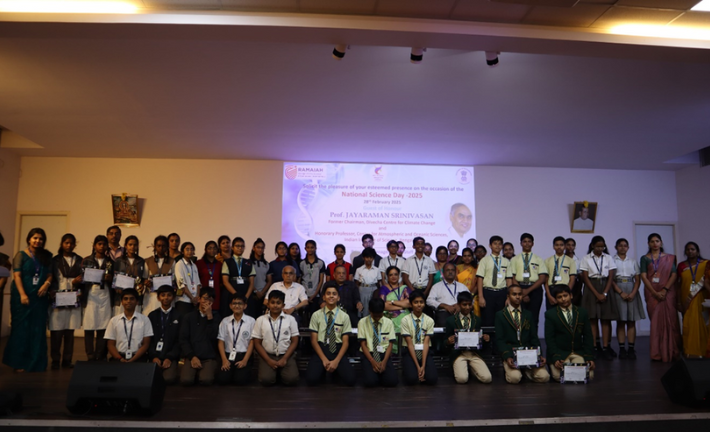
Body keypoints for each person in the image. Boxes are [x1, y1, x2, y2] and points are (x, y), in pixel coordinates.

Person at [3, 228, 53, 372]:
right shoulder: (21, 255)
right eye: (35, 238)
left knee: (38, 329)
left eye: (41, 239)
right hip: (22, 296)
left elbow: (50, 274)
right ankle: (19, 363)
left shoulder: (46, 256)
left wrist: (46, 284)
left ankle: (36, 362)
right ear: (29, 239)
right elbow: (17, 276)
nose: (38, 241)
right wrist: (23, 294)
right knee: (21, 329)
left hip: (40, 297)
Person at [495, 285, 550, 384]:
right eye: (514, 294)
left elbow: (534, 337)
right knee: (514, 378)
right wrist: (507, 356)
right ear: (508, 296)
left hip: (528, 354)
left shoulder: (528, 314)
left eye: (520, 294)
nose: (517, 297)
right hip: (511, 354)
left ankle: (525, 371)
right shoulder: (500, 315)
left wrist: (539, 355)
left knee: (544, 377)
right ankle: (519, 371)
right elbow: (500, 340)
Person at [305, 284, 356, 386]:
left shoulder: (344, 316)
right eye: (328, 294)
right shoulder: (316, 315)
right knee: (311, 380)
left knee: (350, 380)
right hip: (321, 348)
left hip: (337, 349)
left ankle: (335, 371)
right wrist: (324, 359)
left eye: (334, 294)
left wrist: (336, 361)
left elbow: (345, 342)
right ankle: (323, 371)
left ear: (338, 297)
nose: (331, 296)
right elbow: (314, 341)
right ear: (324, 297)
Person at [640, 233, 680, 362]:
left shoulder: (669, 258)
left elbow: (674, 274)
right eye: (652, 241)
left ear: (661, 242)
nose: (655, 243)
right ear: (648, 244)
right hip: (652, 293)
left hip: (667, 293)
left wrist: (664, 289)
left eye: (657, 241)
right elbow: (643, 276)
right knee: (656, 323)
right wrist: (654, 292)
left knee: (671, 321)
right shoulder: (645, 258)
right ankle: (657, 352)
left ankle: (672, 350)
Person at [545, 285, 595, 381]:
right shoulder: (550, 314)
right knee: (558, 376)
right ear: (556, 299)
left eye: (565, 295)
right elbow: (549, 338)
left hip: (577, 352)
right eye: (559, 297)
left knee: (589, 375)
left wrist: (589, 357)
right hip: (560, 353)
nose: (563, 299)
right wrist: (555, 357)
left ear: (571, 295)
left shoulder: (582, 312)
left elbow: (588, 336)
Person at [579, 236, 618, 360]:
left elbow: (611, 277)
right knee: (592, 319)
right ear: (592, 246)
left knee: (606, 319)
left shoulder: (608, 258)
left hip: (606, 286)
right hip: (591, 288)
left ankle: (606, 347)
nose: (600, 249)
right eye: (597, 246)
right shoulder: (586, 258)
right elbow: (585, 278)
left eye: (602, 247)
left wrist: (604, 293)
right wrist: (597, 294)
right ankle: (594, 347)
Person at [49, 234, 83, 369]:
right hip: (58, 297)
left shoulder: (79, 260)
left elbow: (84, 279)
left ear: (75, 245)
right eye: (66, 243)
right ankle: (55, 360)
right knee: (56, 331)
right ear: (62, 243)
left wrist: (77, 284)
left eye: (71, 243)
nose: (69, 245)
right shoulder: (55, 260)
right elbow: (50, 278)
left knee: (69, 330)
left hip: (73, 297)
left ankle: (67, 360)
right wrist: (51, 291)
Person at [252, 290, 300, 386]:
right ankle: (274, 372)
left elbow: (294, 341)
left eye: (278, 303)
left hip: (286, 355)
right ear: (268, 304)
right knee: (266, 380)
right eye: (272, 302)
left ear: (283, 305)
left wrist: (285, 358)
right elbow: (257, 343)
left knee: (292, 379)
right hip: (268, 355)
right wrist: (268, 360)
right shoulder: (260, 320)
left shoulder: (290, 319)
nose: (275, 305)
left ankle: (281, 372)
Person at [445, 291, 492, 384]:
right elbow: (444, 341)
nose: (467, 307)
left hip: (474, 353)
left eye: (469, 305)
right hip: (459, 354)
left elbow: (480, 340)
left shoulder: (477, 320)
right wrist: (448, 341)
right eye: (464, 305)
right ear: (458, 304)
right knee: (462, 379)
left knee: (487, 378)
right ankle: (462, 368)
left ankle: (472, 369)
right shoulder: (451, 321)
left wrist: (485, 339)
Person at [81, 235, 113, 361]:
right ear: (94, 246)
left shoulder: (111, 262)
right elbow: (81, 278)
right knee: (89, 325)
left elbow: (115, 280)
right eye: (99, 244)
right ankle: (90, 355)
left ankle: (100, 354)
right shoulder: (86, 260)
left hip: (105, 294)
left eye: (104, 244)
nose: (102, 246)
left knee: (103, 326)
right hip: (90, 294)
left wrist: (110, 279)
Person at [179, 288, 221, 386]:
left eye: (210, 299)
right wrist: (192, 356)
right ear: (199, 299)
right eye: (205, 298)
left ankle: (203, 371)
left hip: (209, 357)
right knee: (186, 380)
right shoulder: (189, 317)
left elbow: (214, 337)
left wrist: (209, 317)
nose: (207, 302)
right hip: (192, 355)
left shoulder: (216, 317)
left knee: (206, 380)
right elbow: (183, 339)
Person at [612, 238, 645, 360]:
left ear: (628, 248)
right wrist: (620, 292)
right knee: (621, 320)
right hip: (618, 288)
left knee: (631, 320)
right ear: (616, 247)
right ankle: (621, 348)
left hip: (631, 288)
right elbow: (611, 280)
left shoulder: (633, 261)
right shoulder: (612, 260)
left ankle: (631, 348)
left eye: (625, 245)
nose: (622, 247)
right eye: (620, 245)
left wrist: (633, 293)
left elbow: (637, 279)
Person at [508, 233, 548, 332]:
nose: (527, 244)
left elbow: (542, 278)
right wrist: (522, 292)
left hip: (535, 289)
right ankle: (520, 339)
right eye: (524, 241)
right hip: (519, 288)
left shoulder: (538, 259)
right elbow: (513, 277)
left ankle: (533, 340)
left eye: (529, 241)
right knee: (519, 317)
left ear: (533, 244)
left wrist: (527, 291)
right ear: (521, 243)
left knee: (534, 317)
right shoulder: (514, 259)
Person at [358, 297, 398, 387]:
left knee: (392, 381)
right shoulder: (362, 322)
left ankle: (380, 374)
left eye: (380, 315)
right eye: (375, 315)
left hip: (383, 354)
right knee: (370, 382)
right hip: (369, 354)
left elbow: (390, 344)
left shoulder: (388, 322)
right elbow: (363, 344)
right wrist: (372, 361)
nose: (377, 318)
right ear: (369, 311)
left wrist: (384, 361)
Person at [217, 293, 256, 385]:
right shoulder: (225, 321)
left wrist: (245, 360)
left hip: (243, 354)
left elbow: (252, 342)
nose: (237, 306)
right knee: (223, 379)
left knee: (240, 380)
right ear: (230, 306)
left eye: (240, 303)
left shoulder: (251, 321)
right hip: (228, 355)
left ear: (245, 306)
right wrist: (224, 360)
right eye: (234, 303)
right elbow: (220, 341)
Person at [105, 288, 153, 363]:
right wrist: (120, 358)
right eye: (125, 299)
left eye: (132, 299)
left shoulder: (145, 320)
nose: (128, 301)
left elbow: (146, 344)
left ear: (137, 302)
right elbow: (110, 345)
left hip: (138, 358)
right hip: (118, 358)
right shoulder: (114, 321)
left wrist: (133, 360)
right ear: (122, 302)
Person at [677, 242, 708, 358]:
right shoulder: (681, 266)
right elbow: (678, 285)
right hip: (686, 299)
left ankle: (704, 350)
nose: (690, 251)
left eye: (693, 249)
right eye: (688, 249)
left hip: (702, 298)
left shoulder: (706, 264)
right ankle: (690, 350)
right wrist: (678, 302)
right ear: (685, 252)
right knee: (688, 324)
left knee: (703, 324)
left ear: (697, 251)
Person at [401, 291, 437, 386]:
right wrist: (418, 367)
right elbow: (409, 344)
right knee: (411, 379)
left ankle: (422, 371)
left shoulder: (429, 320)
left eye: (421, 302)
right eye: (416, 302)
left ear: (424, 304)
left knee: (432, 379)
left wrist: (423, 366)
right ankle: (411, 369)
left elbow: (426, 343)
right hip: (410, 351)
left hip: (425, 351)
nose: (419, 305)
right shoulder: (405, 320)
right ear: (411, 304)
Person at [147, 285, 181, 384]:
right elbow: (148, 339)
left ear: (173, 297)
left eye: (169, 295)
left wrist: (170, 357)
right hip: (155, 355)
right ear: (158, 298)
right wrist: (153, 356)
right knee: (150, 379)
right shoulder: (152, 315)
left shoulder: (179, 315)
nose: (166, 298)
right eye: (163, 295)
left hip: (170, 356)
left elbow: (179, 340)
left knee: (168, 379)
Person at [477, 236, 512, 328]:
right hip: (488, 293)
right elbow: (480, 279)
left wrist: (509, 297)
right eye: (495, 243)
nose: (497, 246)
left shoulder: (506, 261)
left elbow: (509, 280)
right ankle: (488, 337)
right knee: (487, 320)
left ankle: (499, 337)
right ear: (490, 245)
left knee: (502, 320)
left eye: (499, 244)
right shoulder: (484, 260)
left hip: (502, 293)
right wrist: (481, 297)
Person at [221, 237, 256, 318]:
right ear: (232, 247)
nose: (240, 248)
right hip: (231, 292)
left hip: (246, 292)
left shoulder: (249, 262)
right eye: (237, 246)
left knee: (247, 315)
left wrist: (246, 297)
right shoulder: (227, 262)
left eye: (242, 246)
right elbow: (225, 281)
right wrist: (236, 296)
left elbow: (252, 282)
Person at [111, 235, 145, 316]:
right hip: (121, 297)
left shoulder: (142, 261)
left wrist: (142, 285)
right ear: (125, 246)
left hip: (136, 297)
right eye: (130, 245)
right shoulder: (119, 261)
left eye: (135, 245)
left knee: (136, 319)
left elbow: (143, 278)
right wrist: (117, 288)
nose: (132, 247)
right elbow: (114, 278)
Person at [142, 235, 175, 316]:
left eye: (163, 246)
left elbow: (174, 278)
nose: (161, 248)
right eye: (159, 246)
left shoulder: (172, 261)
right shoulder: (148, 261)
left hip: (166, 297)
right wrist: (146, 282)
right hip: (152, 296)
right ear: (154, 247)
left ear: (167, 247)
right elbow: (144, 278)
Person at [544, 236, 577, 311]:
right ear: (553, 247)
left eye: (561, 245)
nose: (559, 247)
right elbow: (545, 279)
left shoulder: (570, 261)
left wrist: (567, 293)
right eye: (557, 245)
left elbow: (572, 279)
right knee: (552, 313)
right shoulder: (547, 261)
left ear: (565, 246)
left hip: (565, 288)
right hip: (552, 289)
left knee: (565, 313)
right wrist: (549, 295)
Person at [427, 262, 463, 327]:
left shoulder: (462, 286)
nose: (450, 272)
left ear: (455, 272)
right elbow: (429, 301)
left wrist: (460, 305)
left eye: (452, 270)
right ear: (443, 273)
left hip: (460, 312)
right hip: (443, 312)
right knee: (445, 322)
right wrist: (444, 306)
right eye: (448, 270)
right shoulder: (436, 286)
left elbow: (471, 300)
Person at [379, 266, 411, 335]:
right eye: (391, 275)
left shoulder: (404, 288)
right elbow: (382, 305)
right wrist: (401, 307)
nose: (393, 277)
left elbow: (409, 303)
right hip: (389, 317)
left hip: (405, 317)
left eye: (396, 274)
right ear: (387, 277)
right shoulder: (384, 288)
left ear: (399, 276)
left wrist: (392, 302)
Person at [300, 240, 326, 323]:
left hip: (316, 295)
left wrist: (314, 295)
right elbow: (299, 280)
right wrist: (304, 294)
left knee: (314, 317)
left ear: (315, 248)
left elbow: (321, 281)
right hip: (304, 295)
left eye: (312, 247)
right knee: (304, 319)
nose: (310, 249)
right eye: (308, 247)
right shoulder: (301, 263)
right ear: (305, 248)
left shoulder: (320, 262)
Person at [175, 242, 201, 318]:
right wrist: (192, 298)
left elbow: (198, 283)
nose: (190, 251)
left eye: (191, 249)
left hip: (194, 301)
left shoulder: (194, 265)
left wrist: (197, 297)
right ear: (182, 252)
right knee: (184, 322)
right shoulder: (179, 264)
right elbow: (181, 284)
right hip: (184, 300)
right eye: (187, 249)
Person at [354, 247, 381, 317]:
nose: (369, 259)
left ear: (373, 258)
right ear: (363, 258)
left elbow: (379, 282)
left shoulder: (377, 270)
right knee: (363, 309)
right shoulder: (359, 269)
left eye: (371, 257)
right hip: (362, 289)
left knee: (373, 307)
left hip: (373, 289)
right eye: (367, 257)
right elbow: (356, 283)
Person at [196, 241, 221, 312]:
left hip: (216, 293)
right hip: (203, 293)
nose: (212, 250)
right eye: (210, 248)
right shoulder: (198, 263)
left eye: (214, 248)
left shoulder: (220, 264)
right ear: (205, 250)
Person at [248, 238, 270, 317]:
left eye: (262, 248)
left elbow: (269, 281)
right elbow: (247, 279)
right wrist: (256, 291)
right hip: (251, 294)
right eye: (258, 247)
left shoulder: (266, 264)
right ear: (254, 248)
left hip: (263, 295)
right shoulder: (248, 263)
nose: (260, 249)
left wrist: (262, 293)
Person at [456, 247, 480, 317]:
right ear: (462, 258)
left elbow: (477, 283)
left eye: (469, 256)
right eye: (465, 256)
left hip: (473, 294)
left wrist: (471, 295)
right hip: (459, 294)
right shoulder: (457, 267)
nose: (467, 258)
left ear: (472, 257)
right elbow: (456, 282)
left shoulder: (477, 267)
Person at [565, 238, 583, 306]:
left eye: (572, 245)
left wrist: (578, 292)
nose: (570, 247)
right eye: (568, 245)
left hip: (575, 286)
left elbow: (581, 277)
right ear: (564, 246)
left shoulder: (578, 260)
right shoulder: (561, 259)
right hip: (564, 283)